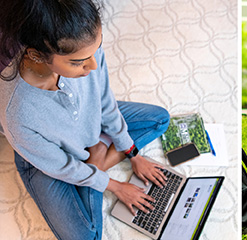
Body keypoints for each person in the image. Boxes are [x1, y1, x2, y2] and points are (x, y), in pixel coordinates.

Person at [0, 0, 170, 239]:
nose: (93, 65)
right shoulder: (17, 114)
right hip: (49, 162)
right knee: (87, 236)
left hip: (89, 120)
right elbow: (62, 166)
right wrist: (115, 186)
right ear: (37, 56)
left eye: (95, 51)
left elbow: (105, 101)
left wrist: (133, 153)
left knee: (159, 120)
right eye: (78, 62)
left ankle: (95, 159)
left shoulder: (85, 46)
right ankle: (96, 160)